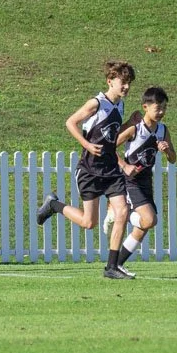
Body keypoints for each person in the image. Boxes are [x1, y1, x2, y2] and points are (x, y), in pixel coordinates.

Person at [34, 61, 135, 236]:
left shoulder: (120, 105)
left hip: (110, 170)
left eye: (129, 83)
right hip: (90, 169)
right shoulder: (96, 103)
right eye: (123, 82)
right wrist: (87, 144)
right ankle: (53, 205)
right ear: (110, 81)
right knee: (88, 223)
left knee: (122, 211)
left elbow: (111, 135)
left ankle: (114, 255)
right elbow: (70, 122)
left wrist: (131, 124)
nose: (127, 87)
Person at [109, 86, 175, 280]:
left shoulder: (163, 130)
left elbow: (173, 159)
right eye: (158, 108)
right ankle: (120, 213)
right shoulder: (135, 128)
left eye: (164, 108)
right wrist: (124, 166)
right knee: (149, 220)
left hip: (146, 181)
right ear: (145, 107)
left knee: (144, 226)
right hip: (130, 181)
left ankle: (117, 264)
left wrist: (167, 150)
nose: (161, 112)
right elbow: (109, 148)